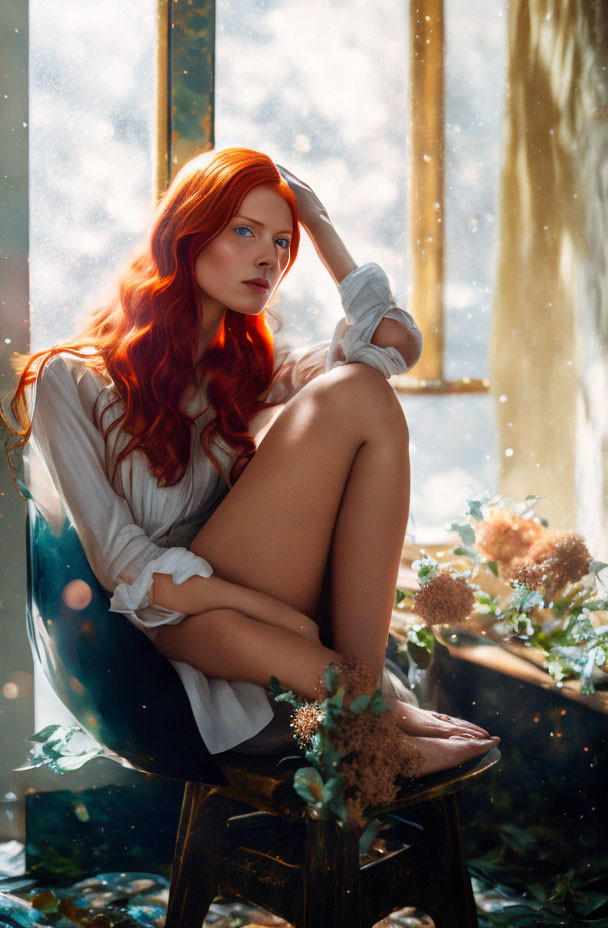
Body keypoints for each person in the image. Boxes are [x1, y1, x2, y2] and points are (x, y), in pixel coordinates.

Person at [2, 147, 499, 772]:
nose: (270, 256)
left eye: (283, 242)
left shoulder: (257, 369)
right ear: (187, 233)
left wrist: (318, 222)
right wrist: (274, 614)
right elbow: (122, 563)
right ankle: (376, 716)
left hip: (240, 596)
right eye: (245, 231)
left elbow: (392, 345)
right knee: (238, 635)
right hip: (165, 621)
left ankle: (366, 724)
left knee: (357, 390)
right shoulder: (68, 380)